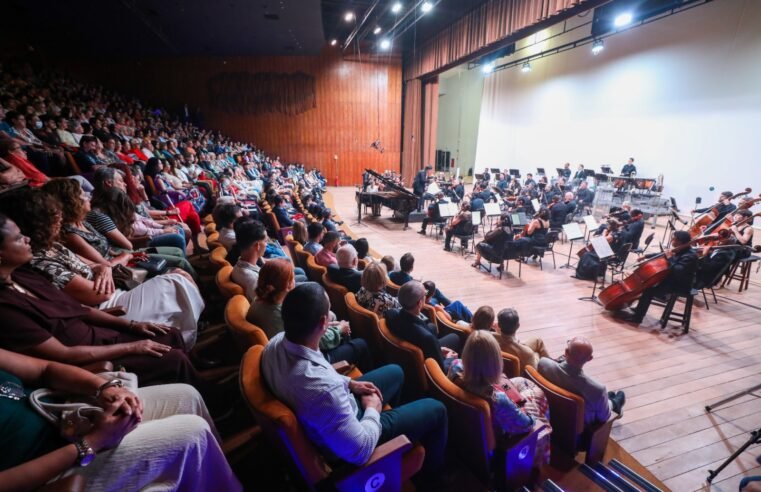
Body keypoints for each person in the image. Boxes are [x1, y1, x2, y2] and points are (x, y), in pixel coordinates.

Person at [261, 282, 448, 483]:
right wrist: (373, 410)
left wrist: (349, 383)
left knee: (396, 371)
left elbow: (318, 373)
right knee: (438, 409)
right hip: (353, 434)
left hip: (332, 408)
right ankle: (431, 478)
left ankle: (402, 436)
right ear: (324, 322)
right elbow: (360, 450)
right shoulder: (324, 390)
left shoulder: (276, 343)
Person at [0, 349, 241, 492]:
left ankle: (215, 474)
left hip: (62, 415)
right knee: (192, 432)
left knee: (185, 395)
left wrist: (103, 388)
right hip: (55, 466)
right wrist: (91, 443)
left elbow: (45, 369)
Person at [0, 189, 204, 348]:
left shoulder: (53, 246)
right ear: (39, 223)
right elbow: (98, 295)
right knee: (176, 278)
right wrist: (106, 268)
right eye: (53, 217)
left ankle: (193, 329)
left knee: (179, 275)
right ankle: (190, 335)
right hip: (108, 305)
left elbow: (99, 265)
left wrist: (104, 269)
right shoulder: (39, 260)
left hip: (112, 288)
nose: (59, 220)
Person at [447, 330, 552, 465]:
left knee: (518, 382)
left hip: (468, 429)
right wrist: (523, 405)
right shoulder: (498, 400)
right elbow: (528, 425)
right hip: (502, 438)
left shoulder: (456, 365)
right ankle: (540, 462)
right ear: (495, 362)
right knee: (537, 395)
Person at [538, 337, 625, 426]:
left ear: (566, 352)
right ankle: (614, 403)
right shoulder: (597, 389)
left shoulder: (543, 363)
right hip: (577, 428)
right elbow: (604, 417)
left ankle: (609, 399)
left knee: (604, 398)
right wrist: (610, 404)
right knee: (608, 400)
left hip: (550, 412)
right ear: (590, 358)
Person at [624, 231, 698, 325]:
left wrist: (670, 258)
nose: (671, 240)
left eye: (673, 238)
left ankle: (637, 317)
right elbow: (662, 254)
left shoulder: (690, 256)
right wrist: (645, 256)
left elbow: (678, 271)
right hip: (671, 279)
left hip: (680, 284)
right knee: (648, 285)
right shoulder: (681, 249)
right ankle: (639, 309)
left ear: (679, 241)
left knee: (648, 290)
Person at [385, 281, 462, 371]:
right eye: (425, 294)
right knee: (456, 337)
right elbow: (441, 369)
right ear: (419, 303)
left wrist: (438, 348)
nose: (426, 295)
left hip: (408, 357)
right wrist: (449, 359)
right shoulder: (427, 338)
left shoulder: (390, 314)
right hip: (424, 365)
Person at [230, 217, 267, 303]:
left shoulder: (238, 264)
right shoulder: (254, 280)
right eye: (265, 241)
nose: (266, 244)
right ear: (257, 245)